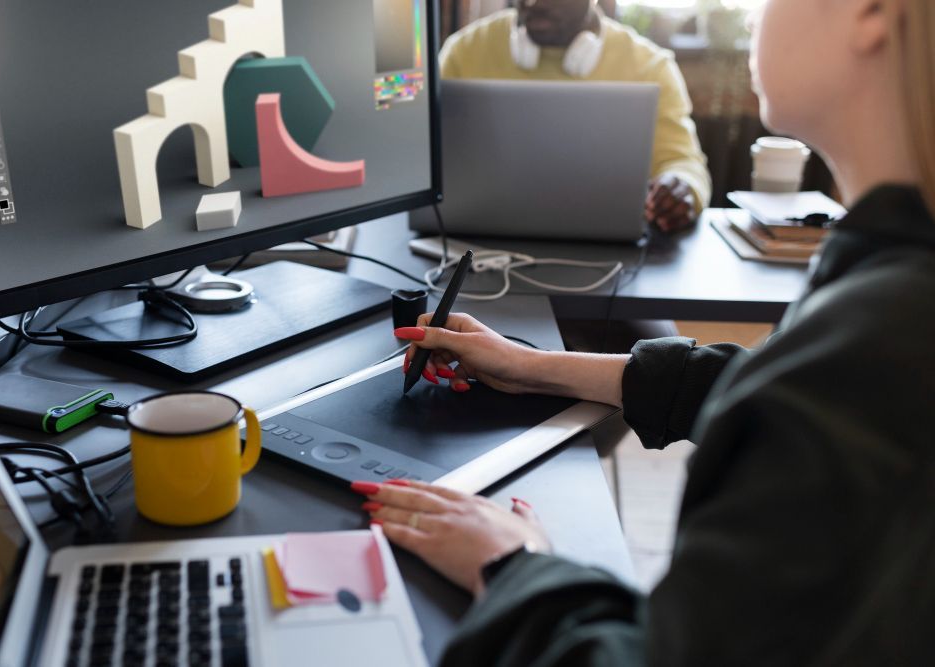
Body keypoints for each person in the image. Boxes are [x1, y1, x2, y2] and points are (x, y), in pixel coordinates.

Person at [353, 0, 935, 663]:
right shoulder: (884, 303)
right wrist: (532, 363)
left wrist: (518, 565)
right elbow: (770, 385)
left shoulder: (882, 341)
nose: (750, 15)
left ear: (873, 12)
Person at [440, 0, 712, 232]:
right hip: (472, 249)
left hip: (609, 261)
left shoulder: (649, 65)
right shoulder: (464, 51)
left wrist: (681, 187)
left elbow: (681, 160)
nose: (534, 2)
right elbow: (422, 151)